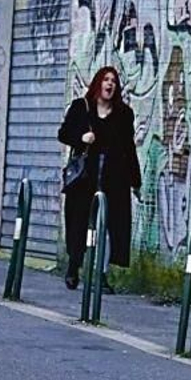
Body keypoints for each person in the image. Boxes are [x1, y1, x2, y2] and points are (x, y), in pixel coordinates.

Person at [57, 66, 141, 291]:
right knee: (79, 225)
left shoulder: (124, 114)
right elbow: (63, 134)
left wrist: (136, 180)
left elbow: (129, 147)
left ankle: (101, 276)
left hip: (113, 179)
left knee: (107, 227)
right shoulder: (81, 107)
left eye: (113, 80)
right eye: (106, 79)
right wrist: (81, 137)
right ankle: (74, 267)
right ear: (98, 83)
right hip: (85, 178)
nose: (110, 84)